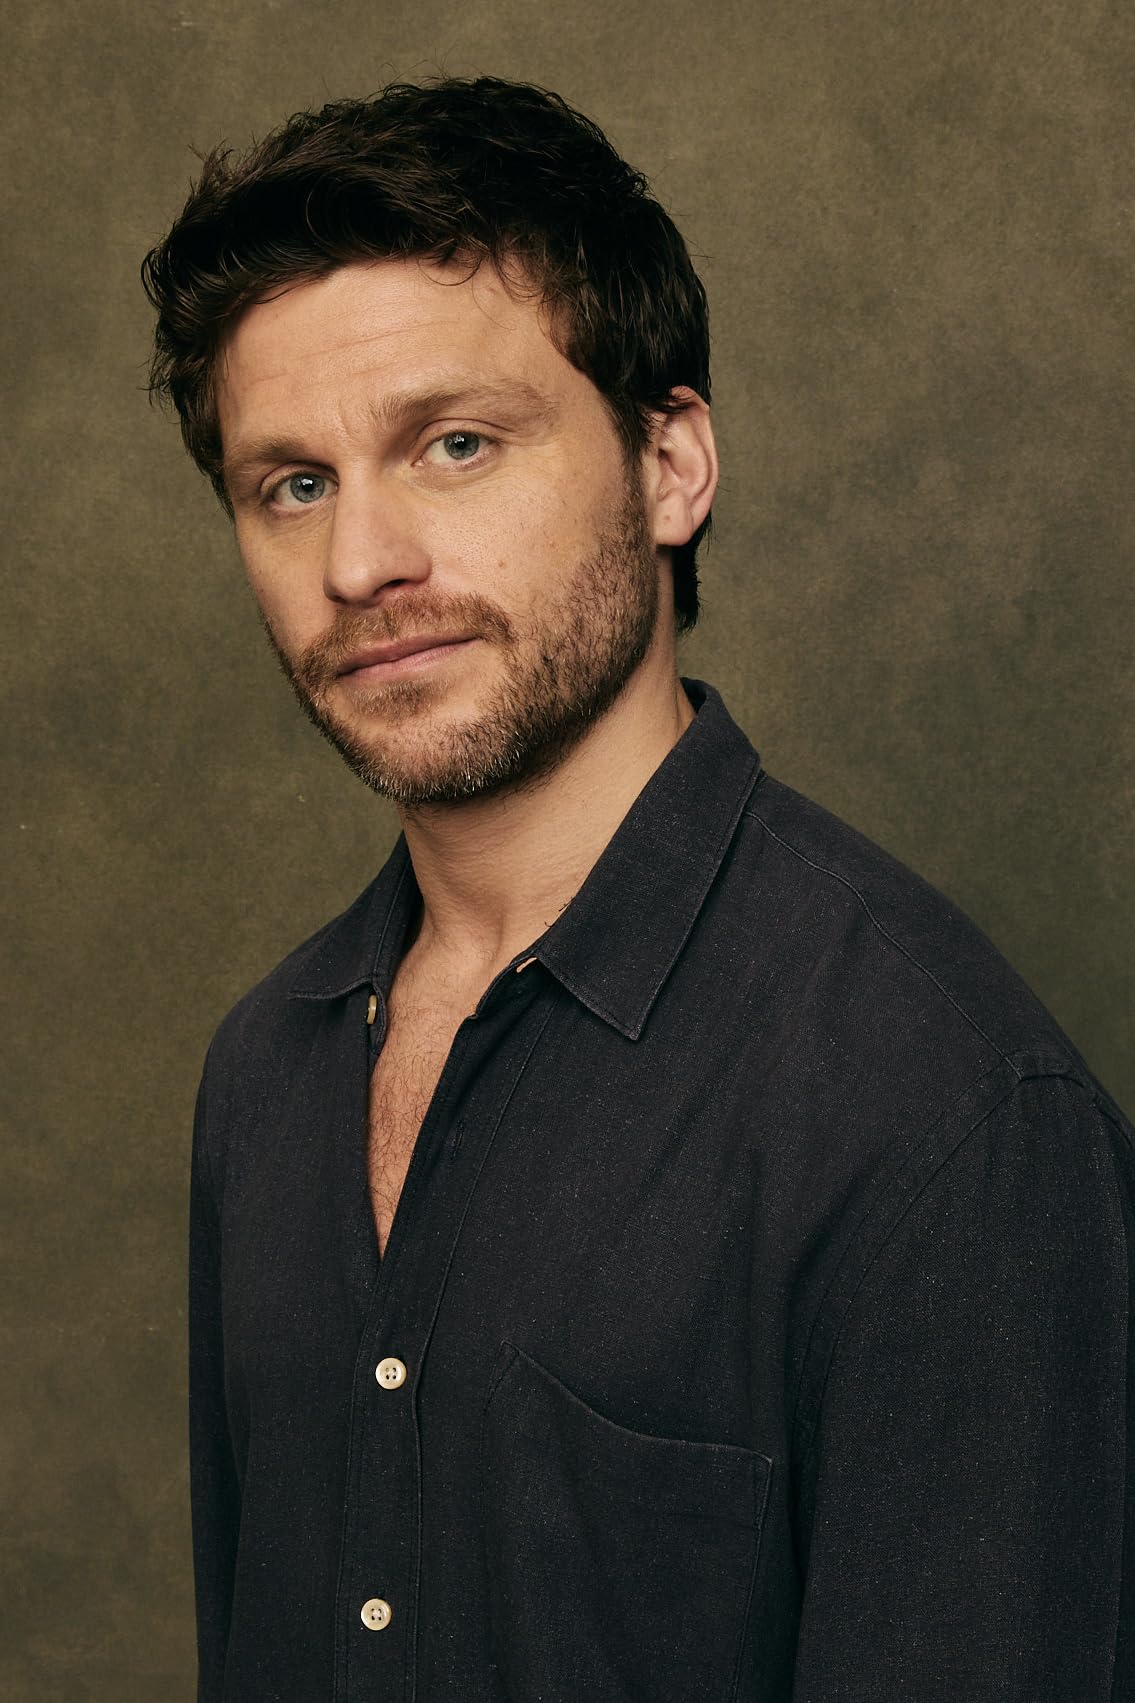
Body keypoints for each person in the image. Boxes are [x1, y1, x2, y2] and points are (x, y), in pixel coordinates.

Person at [142, 76, 1133, 1703]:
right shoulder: (269, 1065)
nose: (361, 563)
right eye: (293, 484)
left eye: (456, 444)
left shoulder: (950, 1116)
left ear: (671, 464)